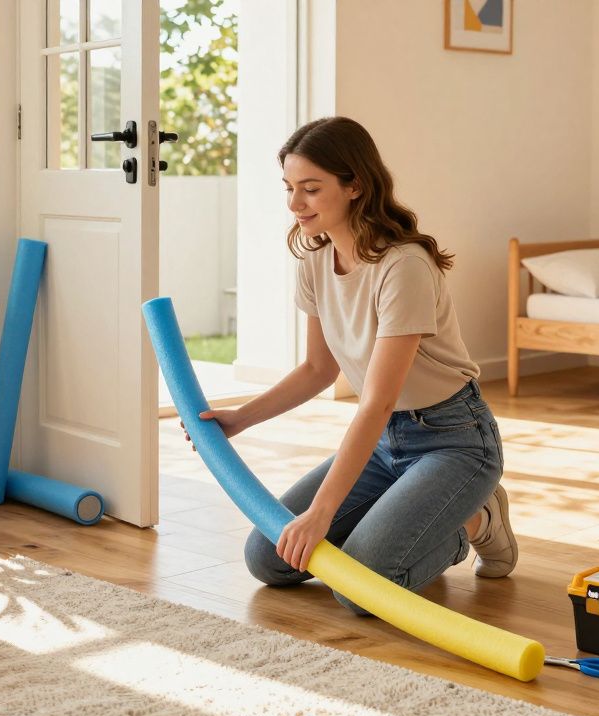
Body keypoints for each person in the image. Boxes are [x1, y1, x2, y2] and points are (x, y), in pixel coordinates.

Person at [186, 116, 517, 614]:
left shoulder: (403, 266)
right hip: (386, 445)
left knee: (356, 589)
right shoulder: (315, 261)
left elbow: (378, 400)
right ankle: (399, 524)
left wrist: (322, 515)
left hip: (453, 439)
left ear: (355, 185)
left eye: (311, 189)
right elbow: (317, 370)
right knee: (269, 559)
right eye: (290, 188)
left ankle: (472, 522)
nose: (295, 204)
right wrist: (239, 419)